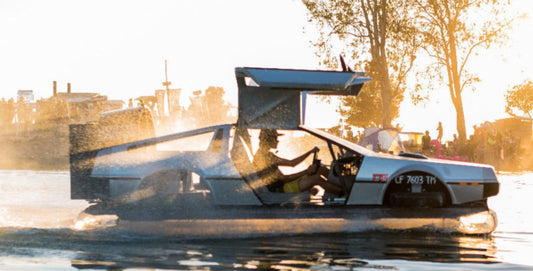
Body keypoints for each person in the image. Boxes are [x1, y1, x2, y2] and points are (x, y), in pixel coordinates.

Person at [252, 129, 342, 196]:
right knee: (315, 179)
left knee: (319, 170)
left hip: (284, 185)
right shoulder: (265, 157)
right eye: (275, 138)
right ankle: (344, 193)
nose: (277, 140)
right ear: (268, 140)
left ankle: (341, 185)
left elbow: (292, 163)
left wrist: (310, 152)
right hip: (281, 189)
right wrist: (307, 172)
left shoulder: (266, 154)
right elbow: (285, 179)